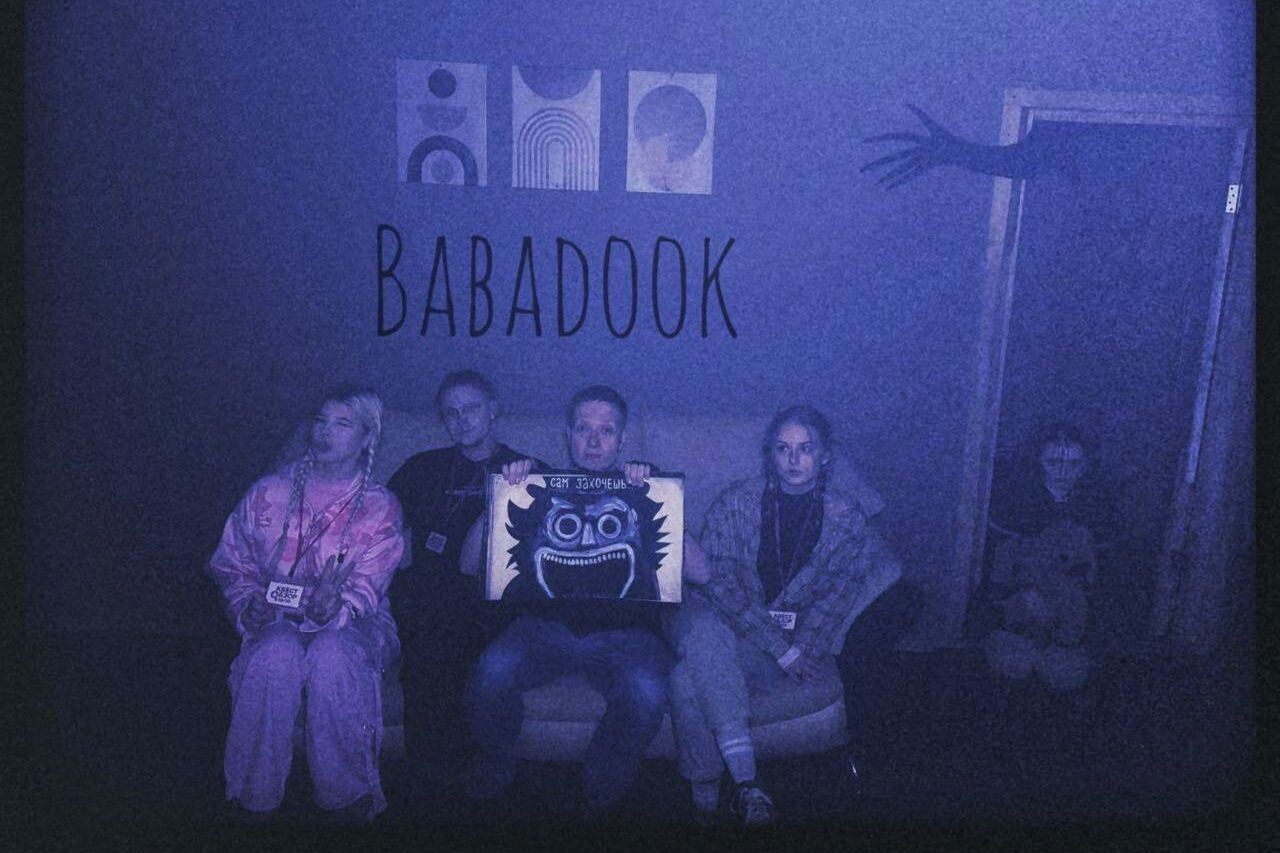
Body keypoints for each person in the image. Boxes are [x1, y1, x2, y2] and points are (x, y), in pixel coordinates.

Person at [457, 384, 709, 817]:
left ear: (622, 439)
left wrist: (661, 497)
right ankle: (496, 760)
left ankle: (601, 789)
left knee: (647, 691)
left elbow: (702, 573)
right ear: (568, 435)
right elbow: (467, 563)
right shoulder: (538, 487)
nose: (593, 441)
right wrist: (501, 495)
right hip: (543, 627)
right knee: (491, 671)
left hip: (629, 635)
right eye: (583, 429)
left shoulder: (644, 487)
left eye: (606, 431)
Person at [665, 405, 901, 827]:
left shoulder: (847, 519)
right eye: (783, 448)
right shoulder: (735, 503)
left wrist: (799, 650)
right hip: (728, 627)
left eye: (805, 449)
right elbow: (717, 586)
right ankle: (747, 784)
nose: (794, 460)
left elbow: (836, 599)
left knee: (687, 679)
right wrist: (781, 649)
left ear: (824, 456)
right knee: (703, 633)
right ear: (770, 454)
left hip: (784, 644)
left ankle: (706, 799)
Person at [207, 386, 405, 821]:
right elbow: (233, 562)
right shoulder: (268, 491)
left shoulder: (380, 507)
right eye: (320, 420)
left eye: (342, 424)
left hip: (357, 623)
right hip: (276, 619)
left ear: (367, 438)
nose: (324, 432)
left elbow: (369, 587)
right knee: (274, 654)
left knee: (333, 654)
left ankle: (346, 795)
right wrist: (247, 605)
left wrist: (339, 606)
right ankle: (253, 796)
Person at [386, 370, 542, 786]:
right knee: (429, 646)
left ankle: (446, 776)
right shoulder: (421, 467)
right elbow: (377, 524)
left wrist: (525, 487)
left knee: (440, 648)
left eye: (471, 408)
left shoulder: (524, 469)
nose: (461, 419)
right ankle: (433, 777)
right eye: (450, 412)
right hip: (422, 597)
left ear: (493, 411)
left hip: (489, 603)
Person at [979, 422, 1116, 692]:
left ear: (1085, 466)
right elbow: (997, 571)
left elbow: (1102, 574)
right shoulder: (1013, 502)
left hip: (1073, 618)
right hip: (1018, 610)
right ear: (1038, 461)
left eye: (1074, 464)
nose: (1064, 471)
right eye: (1054, 462)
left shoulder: (1099, 507)